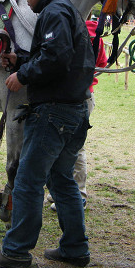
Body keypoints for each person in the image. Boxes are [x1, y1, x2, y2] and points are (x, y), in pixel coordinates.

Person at [0, 0, 96, 268]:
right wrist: (19, 58)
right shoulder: (65, 11)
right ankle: (75, 248)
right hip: (75, 110)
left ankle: (17, 252)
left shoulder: (53, 12)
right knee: (61, 179)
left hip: (53, 112)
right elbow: (56, 53)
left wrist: (23, 75)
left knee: (28, 180)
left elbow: (56, 57)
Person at [47, 17, 108, 211]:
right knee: (72, 147)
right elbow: (103, 64)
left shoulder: (67, 31)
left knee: (69, 148)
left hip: (68, 97)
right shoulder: (96, 35)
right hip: (86, 95)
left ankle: (77, 194)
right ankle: (64, 191)